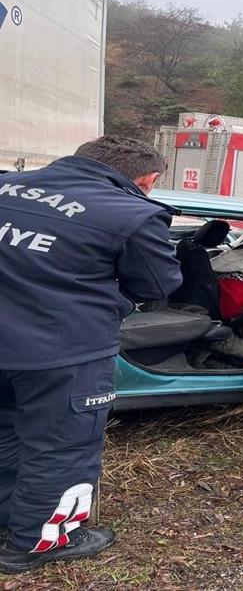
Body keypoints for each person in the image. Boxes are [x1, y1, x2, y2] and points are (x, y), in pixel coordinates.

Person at [0, 136, 182, 573]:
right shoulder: (134, 213)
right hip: (60, 354)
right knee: (62, 448)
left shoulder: (7, 186)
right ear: (147, 179)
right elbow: (158, 286)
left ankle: (11, 513)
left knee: (7, 433)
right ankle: (36, 543)